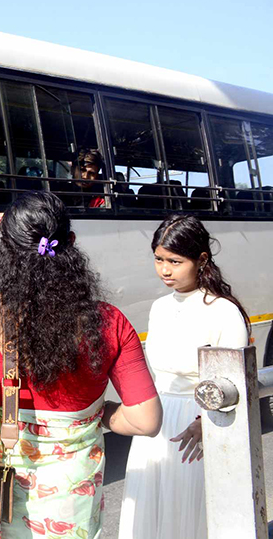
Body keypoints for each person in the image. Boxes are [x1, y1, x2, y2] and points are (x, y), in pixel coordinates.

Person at [0, 191, 161, 538]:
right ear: (70, 243)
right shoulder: (109, 322)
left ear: (6, 251)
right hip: (69, 500)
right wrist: (98, 413)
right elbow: (146, 421)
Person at [118, 214, 250, 539]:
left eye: (175, 261)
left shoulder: (223, 310)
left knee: (195, 516)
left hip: (202, 426)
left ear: (201, 259)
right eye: (159, 260)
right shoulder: (159, 307)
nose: (165, 270)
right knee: (156, 515)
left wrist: (204, 421)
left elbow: (235, 383)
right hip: (157, 424)